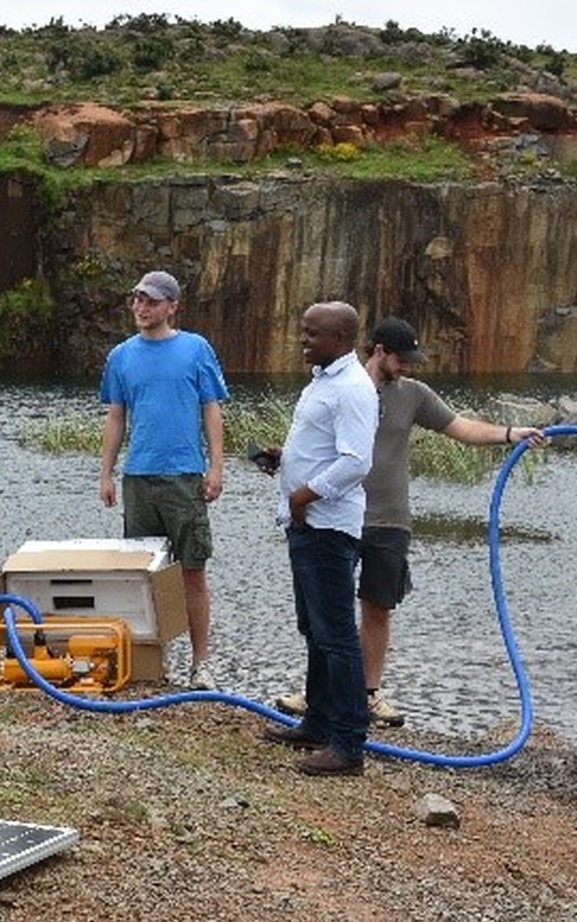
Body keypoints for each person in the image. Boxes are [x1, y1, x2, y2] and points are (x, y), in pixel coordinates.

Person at [272, 316, 545, 725]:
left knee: (377, 607)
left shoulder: (413, 394)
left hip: (390, 518)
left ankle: (368, 695)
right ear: (379, 351)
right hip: (337, 515)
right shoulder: (345, 388)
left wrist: (511, 434)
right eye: (403, 359)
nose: (409, 367)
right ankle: (321, 696)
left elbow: (460, 428)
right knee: (326, 611)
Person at [256, 301, 381, 777]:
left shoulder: (352, 389)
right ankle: (318, 720)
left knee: (336, 636)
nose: (303, 340)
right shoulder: (324, 381)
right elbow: (323, 448)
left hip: (326, 526)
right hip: (307, 524)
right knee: (314, 628)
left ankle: (348, 743)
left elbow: (355, 462)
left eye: (312, 334)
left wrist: (304, 497)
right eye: (303, 331)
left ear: (341, 339)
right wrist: (284, 458)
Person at [96, 269, 230, 691]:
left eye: (151, 301)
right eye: (137, 299)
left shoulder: (195, 349)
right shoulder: (121, 356)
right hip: (139, 478)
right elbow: (116, 416)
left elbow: (211, 408)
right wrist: (106, 473)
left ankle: (201, 663)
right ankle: (155, 660)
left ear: (172, 306)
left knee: (192, 569)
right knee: (147, 574)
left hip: (184, 475)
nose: (142, 308)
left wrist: (216, 467)